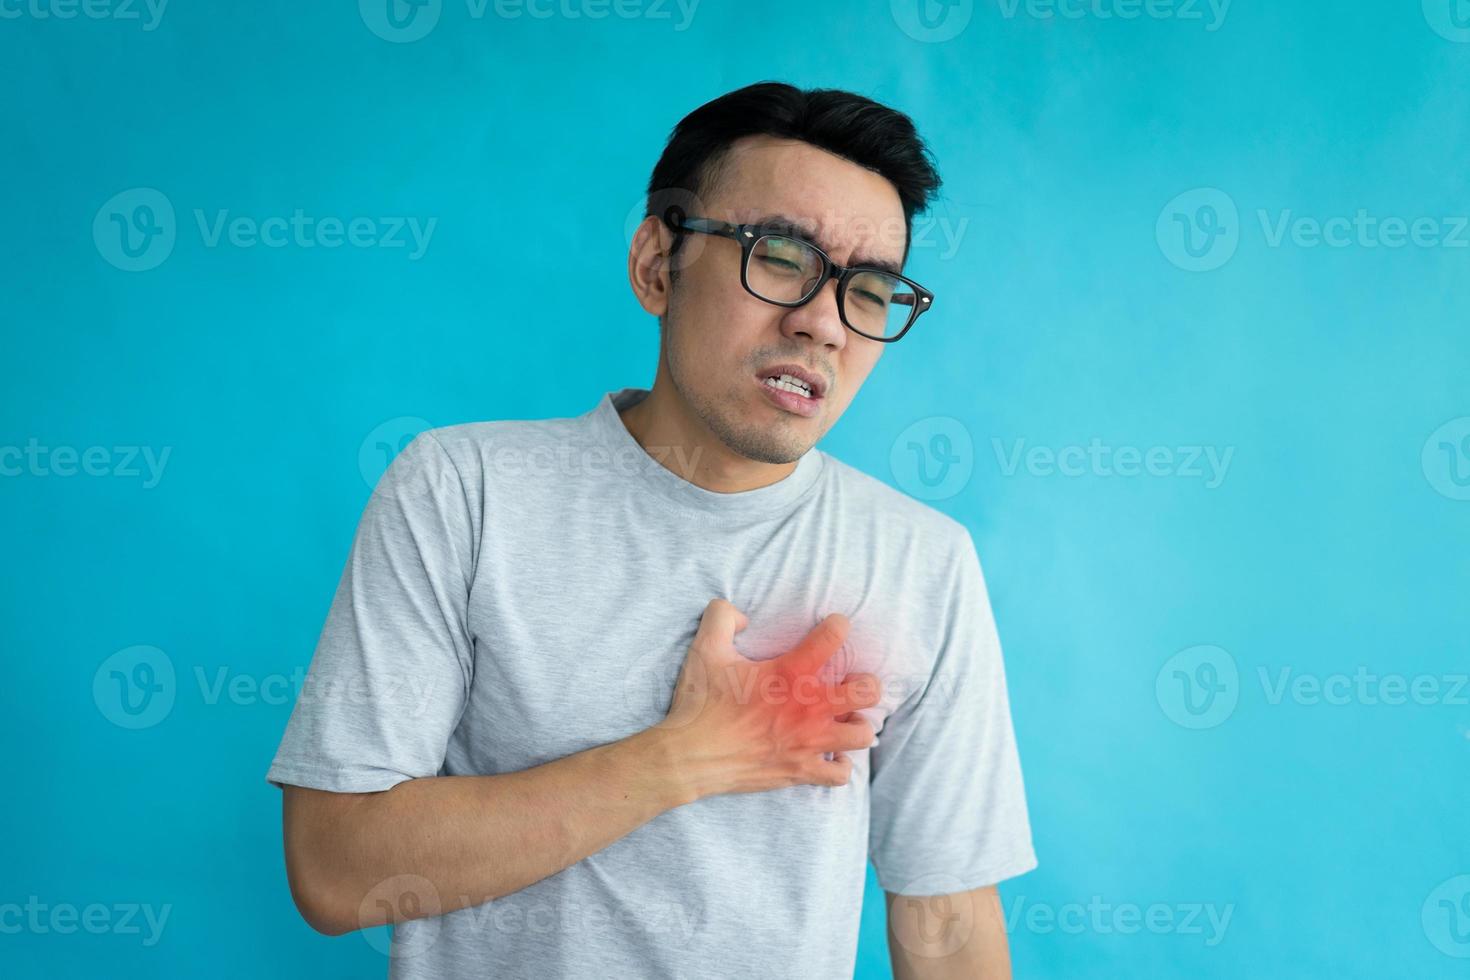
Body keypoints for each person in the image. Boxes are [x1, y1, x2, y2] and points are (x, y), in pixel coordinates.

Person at [267, 80, 1036, 979]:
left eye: (869, 290)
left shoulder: (921, 561)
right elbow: (334, 869)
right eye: (781, 255)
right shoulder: (464, 490)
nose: (823, 322)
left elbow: (944, 919)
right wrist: (686, 757)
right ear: (655, 264)